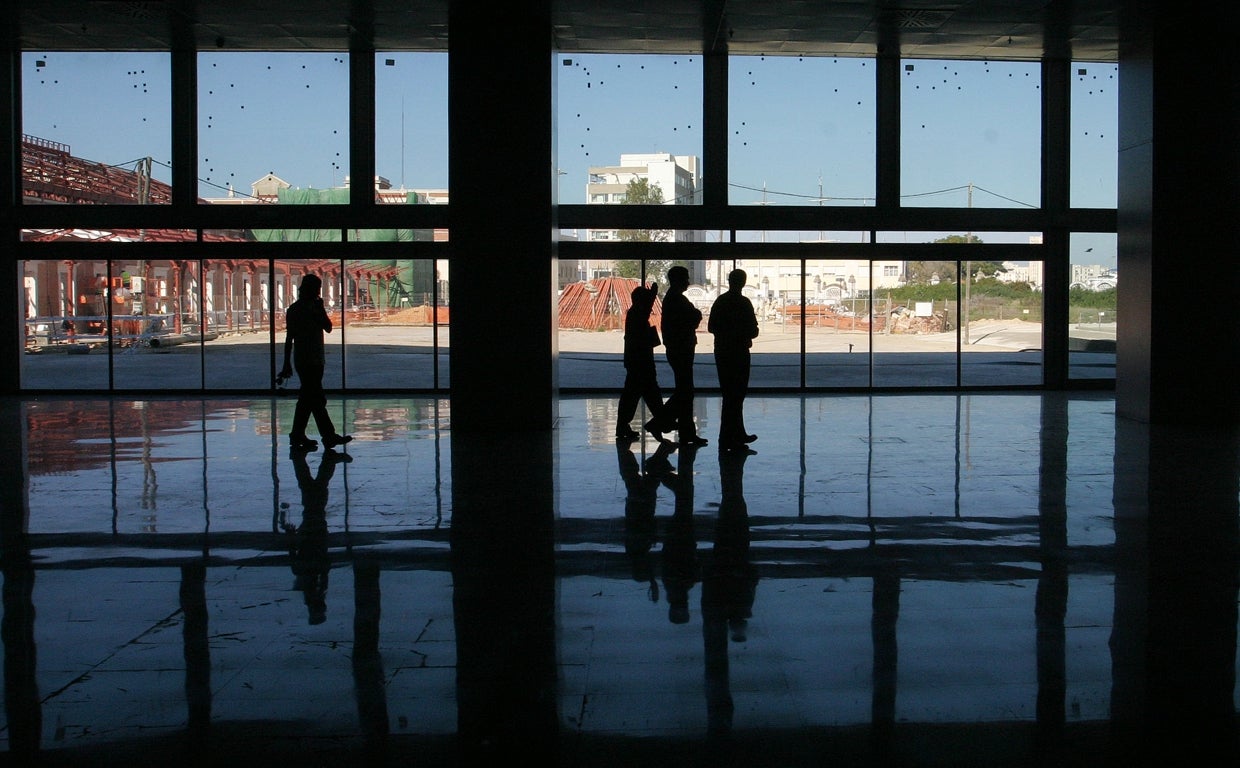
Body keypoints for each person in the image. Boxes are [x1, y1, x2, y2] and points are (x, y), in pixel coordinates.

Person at [279, 274, 353, 451]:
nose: (318, 293)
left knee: (307, 399)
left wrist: (320, 311)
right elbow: (291, 338)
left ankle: (297, 435)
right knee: (316, 399)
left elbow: (327, 327)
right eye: (317, 289)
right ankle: (328, 436)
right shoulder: (296, 310)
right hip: (307, 360)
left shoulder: (303, 308)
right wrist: (286, 363)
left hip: (313, 359)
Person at [707, 269, 759, 451]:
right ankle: (732, 436)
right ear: (743, 283)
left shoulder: (720, 301)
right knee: (737, 395)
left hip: (722, 352)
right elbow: (754, 331)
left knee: (730, 395)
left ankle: (734, 434)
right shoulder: (744, 303)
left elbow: (711, 327)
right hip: (739, 352)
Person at [616, 283, 673, 443]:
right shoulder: (637, 315)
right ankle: (662, 424)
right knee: (649, 394)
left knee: (634, 395)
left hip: (636, 362)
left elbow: (646, 309)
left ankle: (659, 424)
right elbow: (646, 310)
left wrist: (653, 294)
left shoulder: (634, 313)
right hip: (641, 362)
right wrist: (653, 294)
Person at [659, 266, 708, 446]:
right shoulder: (677, 300)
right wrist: (695, 314)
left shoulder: (673, 298)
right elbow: (693, 318)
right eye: (686, 278)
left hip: (678, 348)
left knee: (684, 391)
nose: (688, 281)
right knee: (685, 392)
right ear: (678, 280)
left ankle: (677, 427)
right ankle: (663, 422)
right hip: (681, 349)